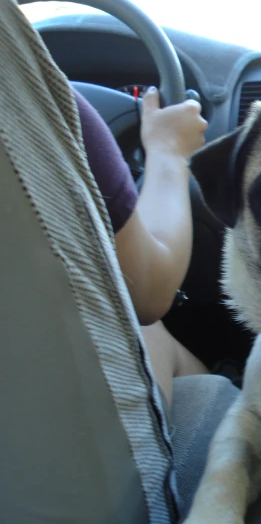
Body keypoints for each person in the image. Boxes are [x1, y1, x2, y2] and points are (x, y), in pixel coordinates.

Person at [74, 85, 209, 407]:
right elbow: (146, 293)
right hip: (69, 418)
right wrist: (169, 151)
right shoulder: (35, 95)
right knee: (147, 329)